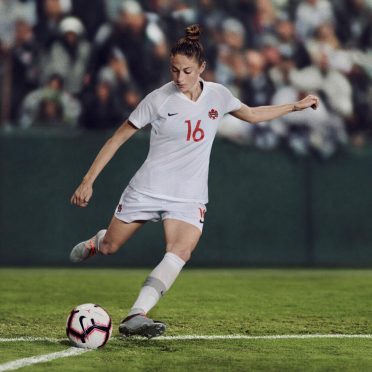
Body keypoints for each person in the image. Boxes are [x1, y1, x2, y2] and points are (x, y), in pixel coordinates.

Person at [69, 24, 319, 339]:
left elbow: (254, 114)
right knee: (110, 248)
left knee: (180, 252)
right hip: (147, 188)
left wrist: (294, 107)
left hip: (189, 196)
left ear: (202, 68)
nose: (179, 77)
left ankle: (137, 314)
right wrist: (87, 180)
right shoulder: (158, 99)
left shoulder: (218, 95)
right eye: (173, 70)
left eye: (187, 70)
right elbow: (116, 140)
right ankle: (98, 240)